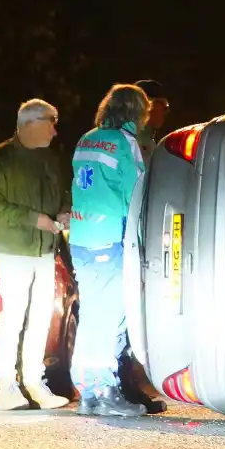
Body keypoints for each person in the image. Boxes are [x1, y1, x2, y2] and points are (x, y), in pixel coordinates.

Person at [0, 99, 72, 411]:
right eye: (51, 122)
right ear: (31, 123)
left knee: (41, 319)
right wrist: (36, 219)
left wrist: (64, 212)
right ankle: (6, 384)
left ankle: (34, 381)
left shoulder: (48, 159)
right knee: (14, 316)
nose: (55, 131)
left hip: (44, 249)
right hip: (14, 250)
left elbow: (61, 195)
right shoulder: (1, 158)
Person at [68, 84, 151, 417]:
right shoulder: (124, 143)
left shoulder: (85, 139)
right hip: (110, 238)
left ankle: (88, 393)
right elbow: (137, 193)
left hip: (82, 236)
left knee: (92, 314)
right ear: (135, 112)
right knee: (109, 318)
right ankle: (104, 391)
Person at [134, 79, 169, 163]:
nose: (166, 111)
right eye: (164, 105)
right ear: (147, 104)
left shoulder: (149, 142)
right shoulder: (128, 140)